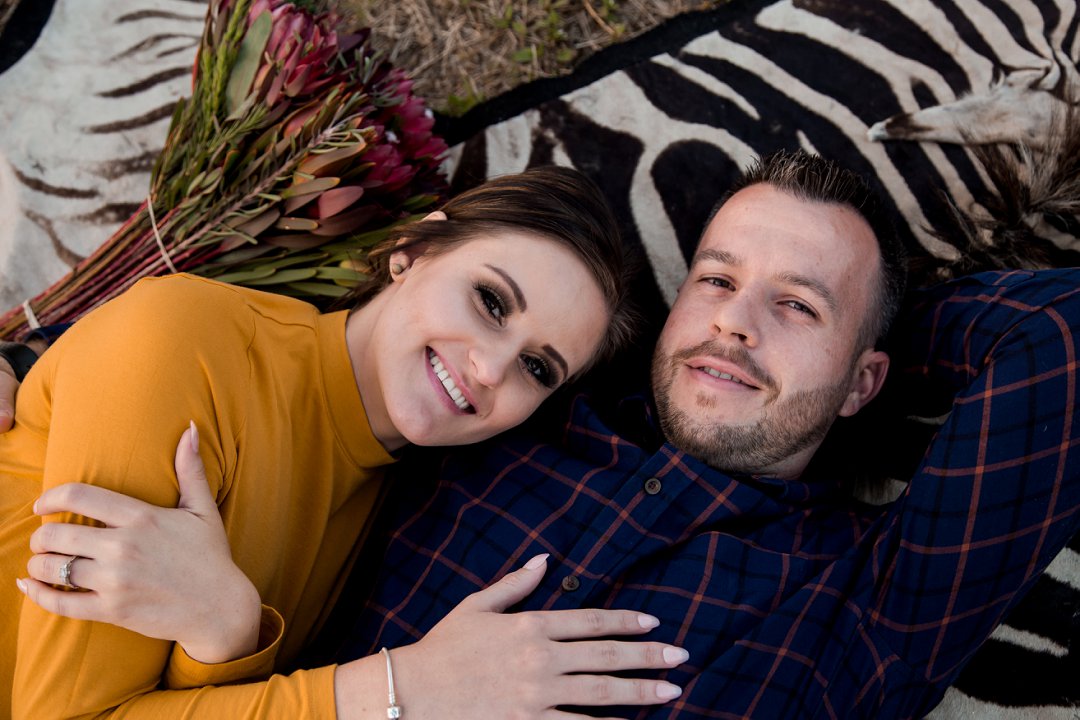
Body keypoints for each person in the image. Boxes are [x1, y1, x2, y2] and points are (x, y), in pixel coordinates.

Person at [8, 150, 1080, 718]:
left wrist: (862, 342)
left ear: (867, 381)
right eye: (716, 279)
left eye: (797, 306)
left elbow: (1061, 340)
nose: (734, 322)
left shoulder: (868, 602)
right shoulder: (495, 436)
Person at [0, 166, 696, 719]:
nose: (489, 369)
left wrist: (228, 633)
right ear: (413, 252)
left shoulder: (389, 509)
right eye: (489, 300)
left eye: (537, 368)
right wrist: (407, 688)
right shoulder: (181, 344)